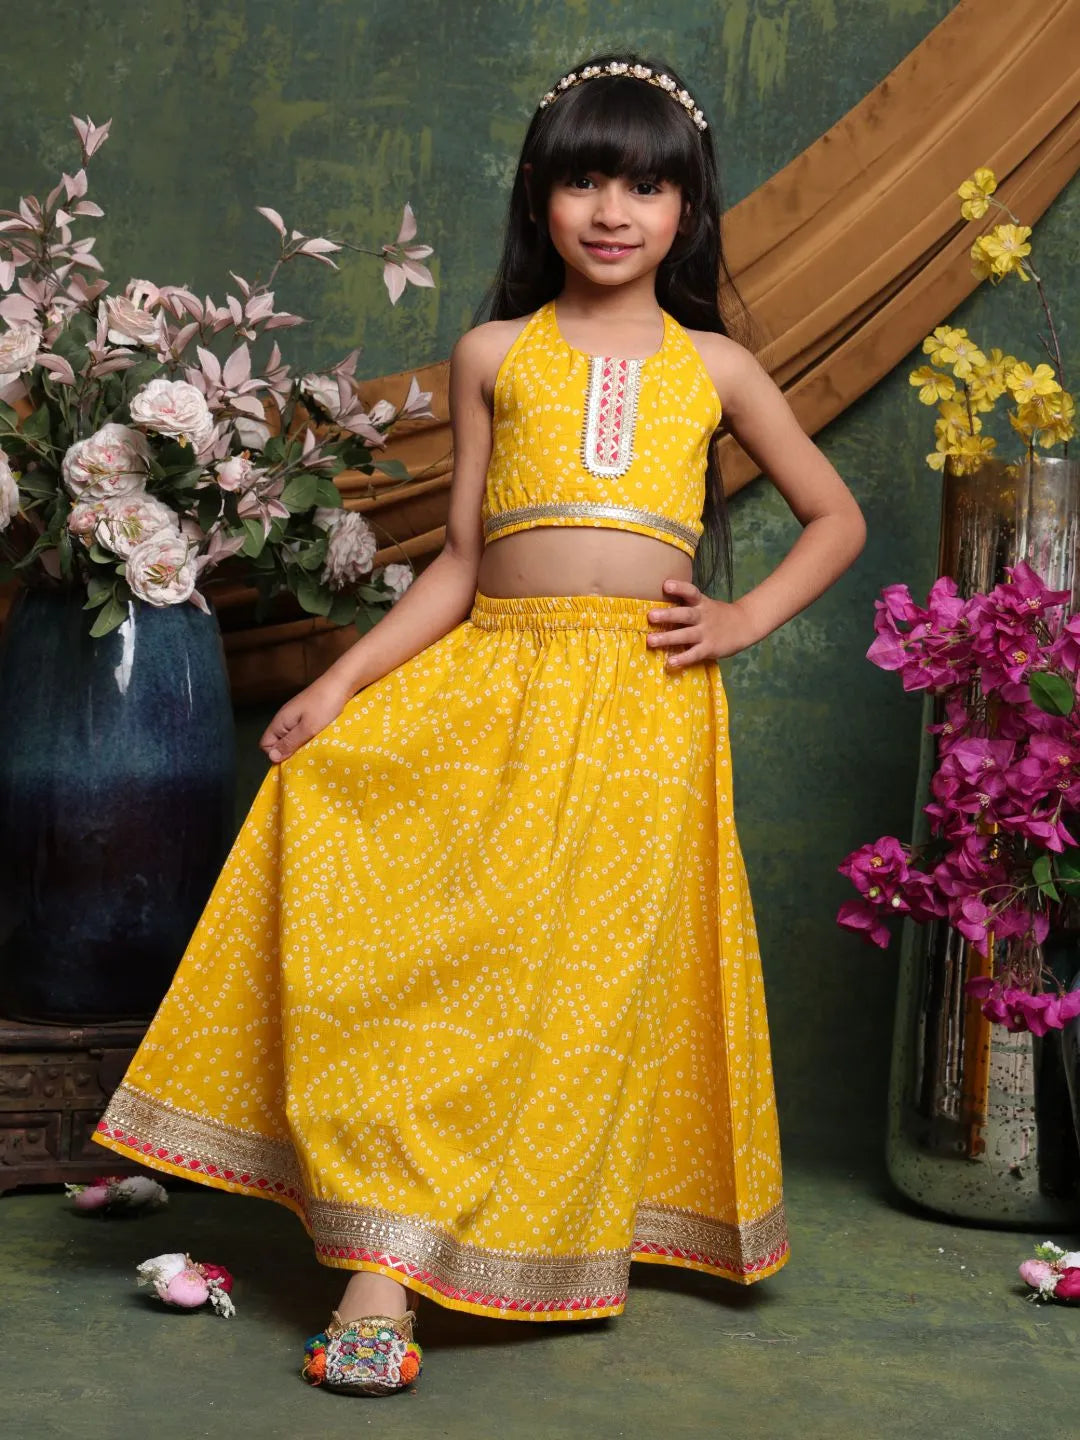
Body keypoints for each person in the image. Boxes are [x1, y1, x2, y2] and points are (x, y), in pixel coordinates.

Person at [93, 49, 866, 1397]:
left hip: (643, 710)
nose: (612, 210)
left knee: (559, 985)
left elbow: (835, 517)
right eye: (582, 179)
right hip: (493, 681)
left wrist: (740, 622)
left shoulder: (718, 366)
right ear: (539, 198)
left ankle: (505, 1238)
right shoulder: (495, 353)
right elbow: (456, 562)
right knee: (428, 951)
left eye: (643, 185)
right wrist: (335, 686)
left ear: (688, 207)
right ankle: (378, 1259)